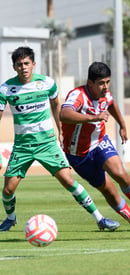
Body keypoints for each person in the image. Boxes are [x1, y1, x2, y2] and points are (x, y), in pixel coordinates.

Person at [0, 46, 119, 232]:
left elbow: (56, 106)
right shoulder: (7, 88)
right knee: (8, 190)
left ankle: (100, 218)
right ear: (14, 67)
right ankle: (10, 217)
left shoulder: (47, 83)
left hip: (47, 144)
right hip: (22, 146)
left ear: (33, 64)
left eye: (26, 63)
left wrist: (60, 130)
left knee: (68, 181)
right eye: (19, 64)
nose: (23, 67)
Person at [59, 61, 130, 239]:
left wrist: (122, 125)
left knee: (119, 172)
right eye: (101, 83)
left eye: (107, 82)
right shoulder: (78, 95)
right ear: (90, 83)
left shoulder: (105, 93)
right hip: (78, 155)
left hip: (99, 143)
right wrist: (92, 117)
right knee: (109, 191)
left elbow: (111, 104)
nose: (106, 87)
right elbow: (64, 114)